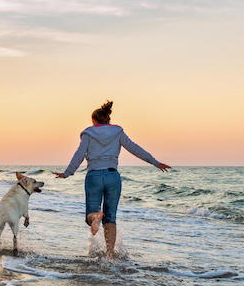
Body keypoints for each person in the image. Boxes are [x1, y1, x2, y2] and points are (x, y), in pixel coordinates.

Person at [54, 100, 170, 258]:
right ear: (108, 119)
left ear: (94, 121)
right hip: (112, 177)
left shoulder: (89, 133)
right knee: (110, 218)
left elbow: (79, 155)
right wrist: (155, 162)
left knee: (92, 214)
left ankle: (95, 217)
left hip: (94, 176)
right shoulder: (117, 132)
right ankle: (110, 255)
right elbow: (135, 149)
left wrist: (67, 173)